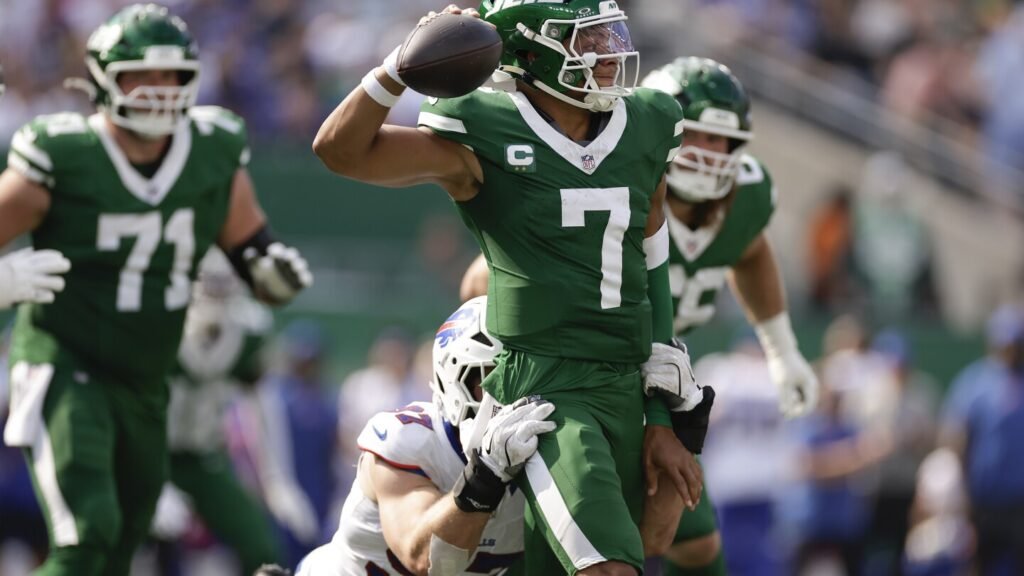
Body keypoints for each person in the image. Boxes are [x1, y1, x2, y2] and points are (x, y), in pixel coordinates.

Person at [312, 2, 706, 574]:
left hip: (623, 377)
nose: (609, 52)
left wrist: (665, 412)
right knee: (609, 567)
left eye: (609, 32)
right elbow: (340, 151)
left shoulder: (646, 122)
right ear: (530, 51)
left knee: (649, 544)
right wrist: (397, 68)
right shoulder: (484, 130)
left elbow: (651, 259)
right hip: (549, 383)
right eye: (586, 39)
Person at [0, 5, 311, 575]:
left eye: (172, 75)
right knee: (87, 534)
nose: (159, 89)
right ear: (102, 80)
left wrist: (266, 269)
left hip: (146, 380)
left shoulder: (213, 147)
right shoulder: (65, 154)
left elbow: (249, 243)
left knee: (123, 546)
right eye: (141, 75)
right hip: (66, 362)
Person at [642, 57, 819, 575]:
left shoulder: (746, 195)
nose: (707, 152)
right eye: (694, 135)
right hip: (596, 371)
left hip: (662, 381)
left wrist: (781, 351)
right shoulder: (621, 183)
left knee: (694, 543)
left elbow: (751, 251)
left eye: (719, 140)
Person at [295, 296, 554, 575]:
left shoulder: (546, 454)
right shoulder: (409, 439)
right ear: (455, 379)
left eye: (525, 380)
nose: (510, 399)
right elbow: (424, 558)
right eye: (493, 379)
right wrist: (487, 475)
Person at [150, 249, 316, 575]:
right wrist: (149, 478)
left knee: (261, 547)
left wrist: (277, 480)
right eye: (209, 282)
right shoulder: (161, 322)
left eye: (223, 283)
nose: (215, 294)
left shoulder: (249, 329)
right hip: (151, 454)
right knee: (122, 540)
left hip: (206, 457)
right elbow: (137, 402)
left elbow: (263, 407)